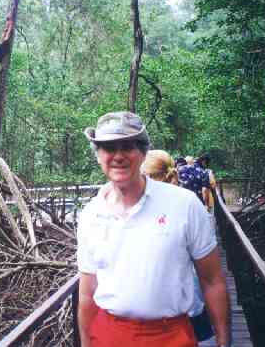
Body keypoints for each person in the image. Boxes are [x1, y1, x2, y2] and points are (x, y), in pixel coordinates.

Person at [77, 111, 230, 347]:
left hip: (171, 336)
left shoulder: (184, 204)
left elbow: (212, 280)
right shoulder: (89, 214)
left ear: (143, 153)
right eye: (108, 148)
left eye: (127, 146)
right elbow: (87, 292)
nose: (118, 156)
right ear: (98, 155)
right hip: (108, 335)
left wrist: (223, 340)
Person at [142, 150, 215, 343]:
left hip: (169, 312)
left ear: (148, 175)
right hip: (191, 300)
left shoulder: (164, 207)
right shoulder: (187, 201)